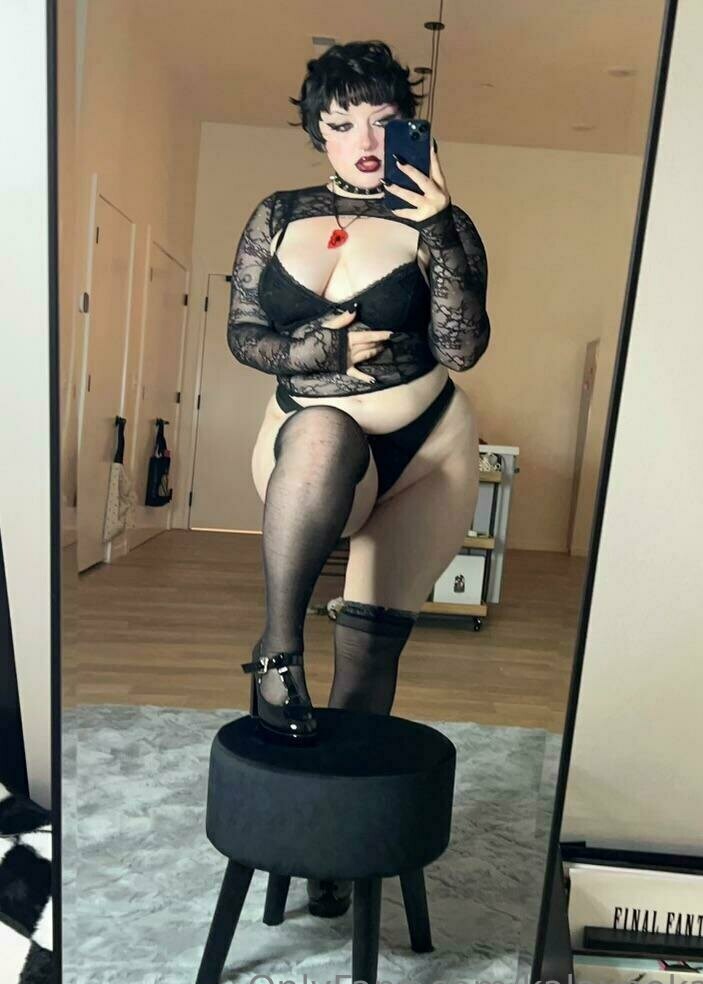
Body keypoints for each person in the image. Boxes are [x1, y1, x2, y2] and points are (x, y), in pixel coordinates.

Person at [227, 41, 490, 912]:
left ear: (408, 125)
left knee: (371, 648)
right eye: (343, 124)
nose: (366, 141)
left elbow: (462, 347)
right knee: (325, 429)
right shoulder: (278, 215)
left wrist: (441, 227)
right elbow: (244, 332)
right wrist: (316, 351)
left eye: (383, 121)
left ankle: (334, 853)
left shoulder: (442, 221)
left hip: (426, 447)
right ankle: (277, 649)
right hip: (307, 435)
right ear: (319, 132)